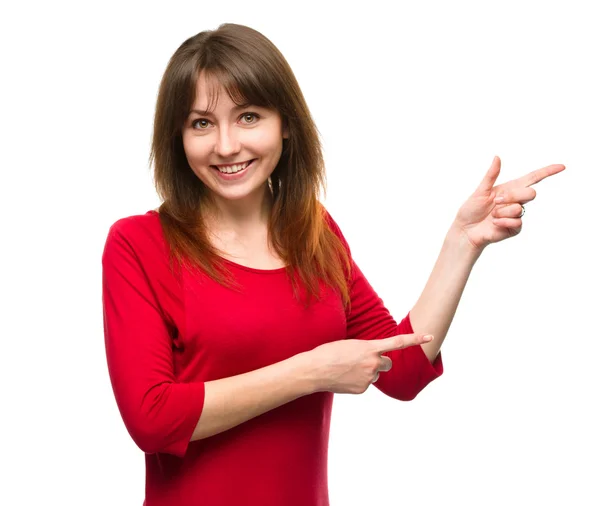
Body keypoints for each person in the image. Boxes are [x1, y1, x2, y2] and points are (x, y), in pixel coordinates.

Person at [101, 23, 565, 506]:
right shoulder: (138, 244)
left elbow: (400, 370)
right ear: (177, 137)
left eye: (248, 117)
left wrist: (462, 243)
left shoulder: (314, 233)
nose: (225, 145)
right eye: (201, 123)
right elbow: (152, 418)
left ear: (286, 124)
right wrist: (310, 372)